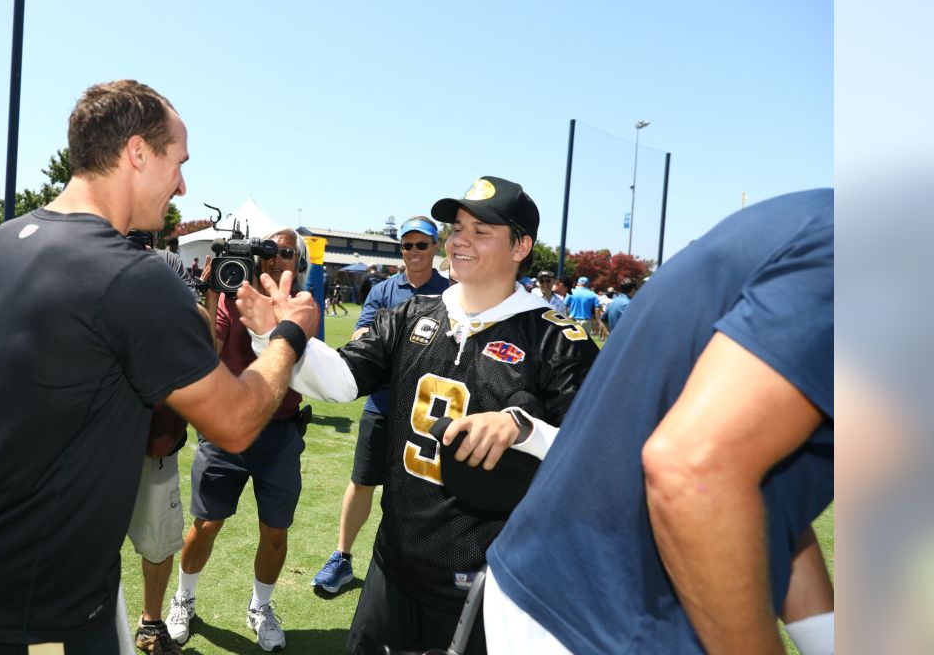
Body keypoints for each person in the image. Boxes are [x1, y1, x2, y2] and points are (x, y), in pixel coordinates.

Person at [0, 79, 318, 655]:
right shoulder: (132, 276)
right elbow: (234, 422)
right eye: (178, 162)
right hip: (43, 600)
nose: (183, 183)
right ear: (138, 153)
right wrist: (290, 332)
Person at [239, 177, 598, 655]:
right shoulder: (414, 312)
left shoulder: (557, 340)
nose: (459, 240)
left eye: (481, 230)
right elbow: (343, 378)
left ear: (522, 246)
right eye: (457, 228)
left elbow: (597, 456)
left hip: (485, 586)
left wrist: (524, 429)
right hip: (395, 564)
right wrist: (277, 334)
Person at [482, 189, 834, 655]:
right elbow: (692, 470)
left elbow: (773, 485)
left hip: (558, 581)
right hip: (614, 612)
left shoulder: (817, 224)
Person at [167, 229, 312, 652]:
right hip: (225, 429)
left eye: (285, 253)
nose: (275, 259)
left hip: (280, 433)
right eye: (269, 251)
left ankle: (260, 607)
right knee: (206, 524)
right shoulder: (231, 297)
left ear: (297, 262)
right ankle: (184, 598)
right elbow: (207, 354)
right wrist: (212, 293)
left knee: (275, 532)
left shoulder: (301, 306)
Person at [311, 216, 450, 595]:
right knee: (362, 481)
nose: (414, 252)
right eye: (407, 245)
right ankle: (341, 557)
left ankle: (421, 564)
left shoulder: (453, 291)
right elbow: (362, 335)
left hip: (429, 411)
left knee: (426, 489)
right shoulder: (383, 289)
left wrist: (394, 345)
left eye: (422, 245)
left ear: (435, 248)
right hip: (381, 403)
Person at [123, 229, 198, 655]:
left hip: (155, 436)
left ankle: (151, 622)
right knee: (78, 542)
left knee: (158, 538)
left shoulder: (167, 264)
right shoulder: (87, 258)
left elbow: (196, 342)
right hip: (94, 440)